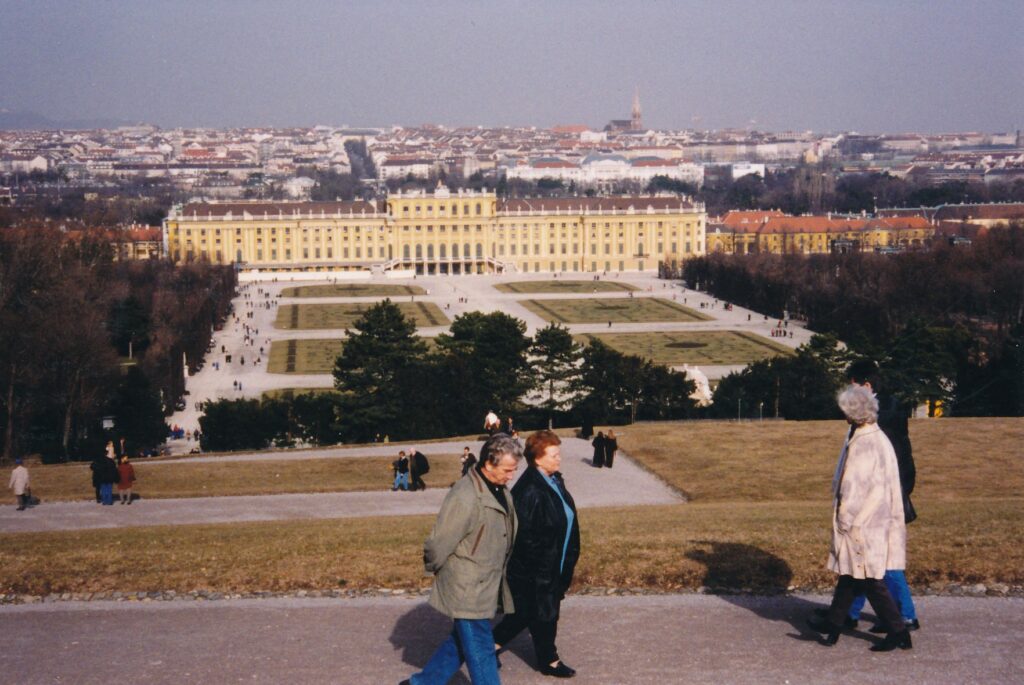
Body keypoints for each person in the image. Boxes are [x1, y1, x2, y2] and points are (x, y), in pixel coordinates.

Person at [400, 434, 523, 685]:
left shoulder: (498, 488)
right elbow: (438, 542)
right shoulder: (465, 495)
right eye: (508, 470)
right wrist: (439, 571)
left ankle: (421, 683)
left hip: (485, 582)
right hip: (467, 585)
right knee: (481, 648)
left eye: (514, 470)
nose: (511, 476)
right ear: (489, 464)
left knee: (461, 640)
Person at [807, 385, 911, 652]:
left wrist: (846, 519)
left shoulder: (864, 443)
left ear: (853, 414)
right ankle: (833, 623)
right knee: (851, 573)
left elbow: (855, 487)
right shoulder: (877, 436)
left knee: (867, 578)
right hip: (876, 519)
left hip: (862, 523)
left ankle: (898, 630)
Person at [493, 430, 580, 679]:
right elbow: (525, 539)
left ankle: (489, 646)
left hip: (554, 563)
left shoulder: (552, 480)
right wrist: (543, 573)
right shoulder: (530, 490)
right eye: (554, 454)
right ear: (538, 459)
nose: (559, 459)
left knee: (526, 613)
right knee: (544, 613)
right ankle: (549, 660)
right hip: (539, 569)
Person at [843, 359, 920, 632]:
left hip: (884, 496)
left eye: (853, 387)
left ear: (866, 385)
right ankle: (849, 613)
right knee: (865, 556)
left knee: (882, 559)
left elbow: (889, 460)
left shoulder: (883, 412)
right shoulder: (880, 408)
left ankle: (903, 615)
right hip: (881, 493)